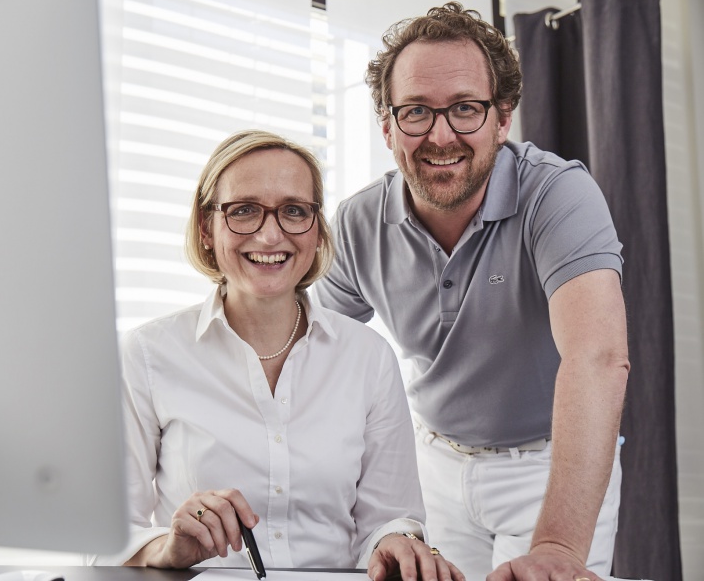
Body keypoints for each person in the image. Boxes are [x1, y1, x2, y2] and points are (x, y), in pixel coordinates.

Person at [313, 3, 629, 581]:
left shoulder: (558, 196)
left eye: (465, 108)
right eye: (415, 112)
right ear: (387, 127)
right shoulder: (359, 222)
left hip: (547, 467)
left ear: (502, 118)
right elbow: (308, 351)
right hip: (432, 466)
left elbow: (598, 358)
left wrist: (558, 546)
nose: (440, 135)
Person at [118, 129, 463, 581]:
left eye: (294, 211)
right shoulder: (147, 355)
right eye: (243, 211)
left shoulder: (369, 358)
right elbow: (105, 534)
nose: (269, 234)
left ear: (317, 230)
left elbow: (389, 518)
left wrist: (395, 541)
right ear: (207, 228)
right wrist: (168, 548)